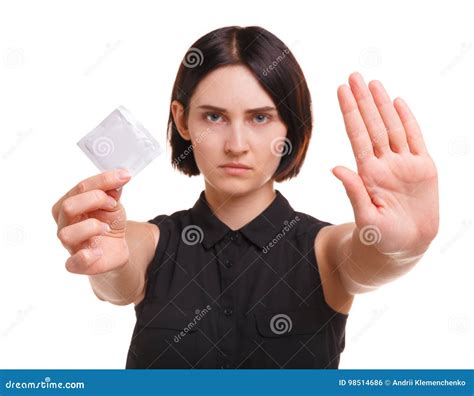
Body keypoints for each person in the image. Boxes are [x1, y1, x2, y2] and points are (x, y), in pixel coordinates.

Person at [51, 25, 439, 369]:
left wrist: (404, 247)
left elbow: (373, 258)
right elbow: (118, 275)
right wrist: (103, 261)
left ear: (290, 128)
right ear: (182, 119)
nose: (236, 145)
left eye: (260, 118)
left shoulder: (324, 250)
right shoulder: (151, 244)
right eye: (214, 117)